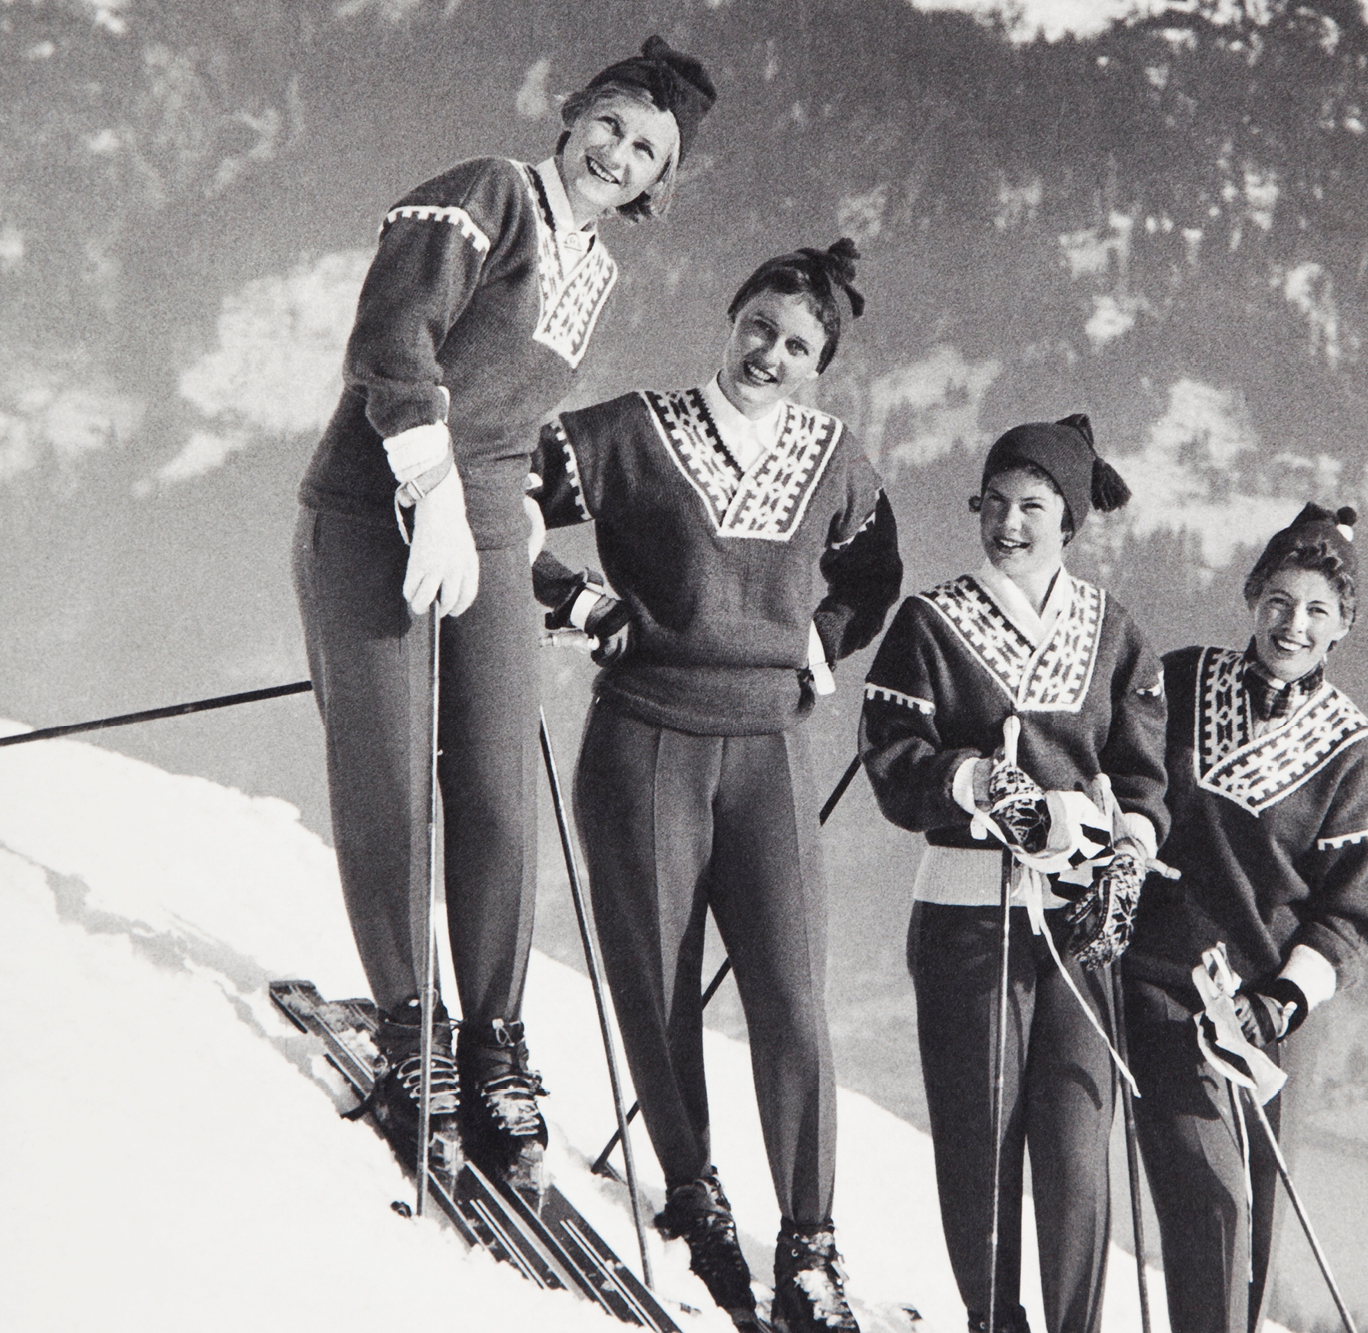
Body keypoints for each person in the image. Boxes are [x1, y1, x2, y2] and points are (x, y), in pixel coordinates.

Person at [290, 37, 715, 1190]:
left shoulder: (596, 270)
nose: (617, 154)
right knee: (390, 779)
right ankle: (408, 1026)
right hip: (370, 512)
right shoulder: (488, 194)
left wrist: (539, 555)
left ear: (658, 180)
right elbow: (392, 340)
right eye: (611, 123)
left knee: (493, 787)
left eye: (647, 150)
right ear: (573, 113)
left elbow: (510, 431)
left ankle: (492, 1041)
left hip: (476, 530)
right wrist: (427, 491)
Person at [528, 240, 901, 1333]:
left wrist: (818, 644)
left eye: (798, 347)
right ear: (731, 319)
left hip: (768, 751)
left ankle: (809, 1246)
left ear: (820, 365)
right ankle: (693, 1197)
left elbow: (874, 573)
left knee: (791, 998)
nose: (769, 355)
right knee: (657, 987)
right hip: (644, 741)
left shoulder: (835, 459)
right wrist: (576, 599)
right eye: (758, 328)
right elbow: (498, 488)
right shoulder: (631, 431)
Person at [859, 417, 1170, 1333]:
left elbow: (1145, 778)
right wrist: (976, 782)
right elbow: (892, 755)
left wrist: (1130, 854)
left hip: (1079, 922)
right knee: (979, 1132)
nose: (1008, 523)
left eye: (1032, 506)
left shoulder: (1114, 631)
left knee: (1076, 1144)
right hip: (968, 912)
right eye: (993, 502)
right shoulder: (930, 623)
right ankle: (993, 1317)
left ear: (1069, 519)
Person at [1119, 503, 1368, 1333]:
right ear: (1251, 597)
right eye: (1279, 600)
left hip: (1272, 1015)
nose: (1293, 624)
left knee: (1260, 1235)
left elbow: (1348, 916)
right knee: (1213, 1206)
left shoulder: (1356, 753)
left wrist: (1279, 1002)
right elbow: (1117, 773)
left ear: (1344, 624)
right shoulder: (1177, 680)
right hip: (1164, 989)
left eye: (1317, 609)